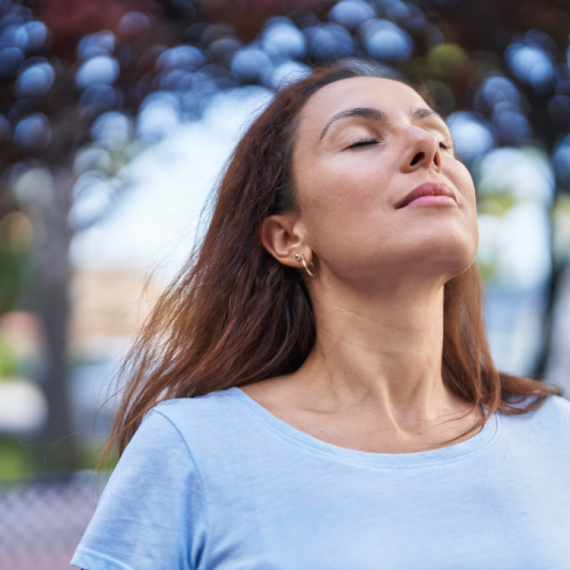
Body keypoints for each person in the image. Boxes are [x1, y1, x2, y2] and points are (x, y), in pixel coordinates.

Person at [71, 61, 570, 570]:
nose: (428, 151)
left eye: (441, 139)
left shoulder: (555, 433)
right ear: (289, 238)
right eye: (361, 140)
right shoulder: (195, 449)